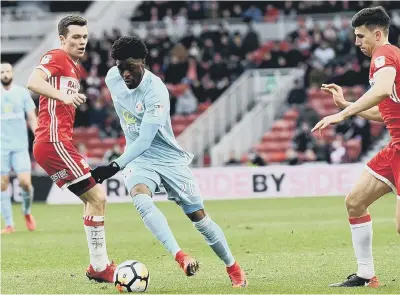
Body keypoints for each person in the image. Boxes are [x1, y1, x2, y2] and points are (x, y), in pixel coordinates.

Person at [312, 6, 400, 287]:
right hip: (399, 146)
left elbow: (382, 91)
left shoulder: (384, 55)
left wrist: (342, 114)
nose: (357, 42)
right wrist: (347, 105)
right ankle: (366, 275)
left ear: (377, 34)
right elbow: (384, 112)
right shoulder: (389, 58)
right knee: (355, 202)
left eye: (361, 36)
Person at [91, 36, 248, 288]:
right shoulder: (113, 78)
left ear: (143, 62)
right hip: (139, 159)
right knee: (141, 198)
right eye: (120, 67)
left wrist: (113, 166)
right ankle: (180, 256)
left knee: (200, 219)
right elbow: (138, 147)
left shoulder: (157, 92)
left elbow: (145, 139)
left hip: (168, 159)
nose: (125, 73)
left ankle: (233, 266)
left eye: (130, 66)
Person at [26, 15, 116, 283]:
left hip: (54, 143)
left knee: (93, 200)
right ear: (63, 39)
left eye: (85, 37)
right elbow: (33, 81)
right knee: (98, 198)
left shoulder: (74, 67)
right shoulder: (56, 56)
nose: (82, 42)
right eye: (76, 37)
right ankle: (100, 266)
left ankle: (98, 266)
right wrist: (65, 96)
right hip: (53, 142)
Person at [1, 62, 38, 234]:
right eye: (2, 72)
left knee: (25, 182)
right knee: (2, 184)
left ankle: (27, 211)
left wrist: (37, 133)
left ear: (12, 73)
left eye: (7, 71)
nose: (5, 74)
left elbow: (31, 115)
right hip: (1, 147)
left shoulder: (22, 92)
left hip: (20, 145)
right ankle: (9, 224)